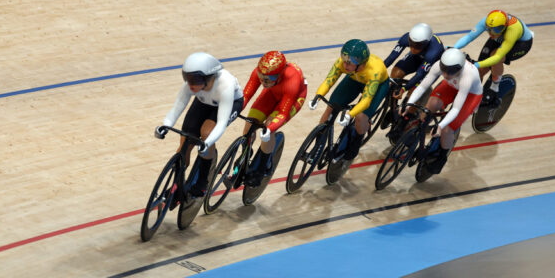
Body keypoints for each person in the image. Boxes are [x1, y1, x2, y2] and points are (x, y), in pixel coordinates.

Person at [154, 52, 243, 197]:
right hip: (204, 102)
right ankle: (177, 185)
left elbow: (221, 123)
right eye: (187, 78)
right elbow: (178, 106)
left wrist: (206, 143)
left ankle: (202, 182)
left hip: (230, 104)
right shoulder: (192, 85)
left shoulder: (225, 84)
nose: (190, 84)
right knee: (185, 144)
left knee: (206, 133)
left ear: (209, 77)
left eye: (194, 79)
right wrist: (165, 125)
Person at [308, 39, 389, 161]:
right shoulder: (344, 63)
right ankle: (317, 146)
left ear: (361, 64)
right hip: (355, 79)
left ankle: (357, 140)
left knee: (360, 117)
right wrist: (317, 96)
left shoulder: (374, 71)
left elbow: (366, 101)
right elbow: (329, 81)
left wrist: (350, 114)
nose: (345, 65)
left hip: (378, 86)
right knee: (331, 107)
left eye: (349, 63)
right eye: (344, 61)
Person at [405, 48, 482, 174]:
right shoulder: (439, 66)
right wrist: (410, 103)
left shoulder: (468, 75)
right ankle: (418, 132)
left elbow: (456, 108)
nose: (446, 74)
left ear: (460, 68)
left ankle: (441, 157)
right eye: (444, 70)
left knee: (447, 129)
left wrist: (440, 126)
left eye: (451, 72)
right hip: (451, 86)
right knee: (430, 106)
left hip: (470, 94)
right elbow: (423, 86)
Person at [241, 50, 307, 186]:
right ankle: (245, 156)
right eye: (261, 76)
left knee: (269, 127)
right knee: (250, 123)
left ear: (280, 74)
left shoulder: (292, 79)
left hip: (292, 98)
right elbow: (246, 96)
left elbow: (283, 113)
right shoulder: (262, 73)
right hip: (272, 92)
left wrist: (269, 128)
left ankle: (263, 166)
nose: (263, 81)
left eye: (268, 79)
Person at [453, 10, 533, 105]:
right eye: (488, 29)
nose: (491, 33)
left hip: (520, 44)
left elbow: (498, 57)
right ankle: (473, 94)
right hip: (500, 37)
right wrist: (454, 48)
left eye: (496, 30)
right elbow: (469, 37)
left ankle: (495, 87)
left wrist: (476, 64)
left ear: (504, 26)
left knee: (494, 56)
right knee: (479, 71)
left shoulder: (513, 30)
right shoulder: (488, 23)